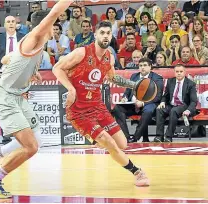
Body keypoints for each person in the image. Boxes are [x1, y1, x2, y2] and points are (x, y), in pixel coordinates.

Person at [0, 0, 73, 198]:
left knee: (37, 139)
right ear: (44, 25)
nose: (54, 29)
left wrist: (28, 73)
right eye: (51, 25)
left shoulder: (36, 45)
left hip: (18, 97)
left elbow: (5, 59)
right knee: (31, 147)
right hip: (6, 98)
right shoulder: (35, 37)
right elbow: (55, 11)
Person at [53, 21, 150, 187]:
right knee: (110, 143)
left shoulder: (109, 57)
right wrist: (71, 89)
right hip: (79, 111)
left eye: (108, 33)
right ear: (95, 34)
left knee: (122, 144)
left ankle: (99, 141)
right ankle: (137, 172)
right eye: (102, 32)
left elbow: (112, 78)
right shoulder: (81, 52)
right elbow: (57, 68)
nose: (105, 36)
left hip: (97, 106)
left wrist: (134, 85)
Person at [112, 58, 163, 143]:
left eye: (145, 65)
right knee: (117, 109)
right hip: (132, 104)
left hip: (148, 103)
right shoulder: (134, 76)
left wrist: (143, 103)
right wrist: (124, 97)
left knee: (148, 110)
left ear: (150, 67)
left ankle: (135, 137)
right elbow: (128, 91)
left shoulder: (157, 78)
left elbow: (158, 96)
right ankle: (126, 137)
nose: (142, 67)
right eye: (141, 66)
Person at [154, 64, 198, 142]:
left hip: (183, 105)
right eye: (177, 71)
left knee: (174, 111)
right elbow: (165, 95)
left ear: (184, 72)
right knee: (159, 110)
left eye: (181, 71)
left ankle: (168, 136)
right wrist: (163, 102)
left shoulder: (191, 84)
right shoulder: (170, 81)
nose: (179, 73)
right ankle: (159, 136)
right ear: (174, 72)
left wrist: (188, 110)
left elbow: (194, 101)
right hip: (171, 105)